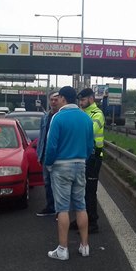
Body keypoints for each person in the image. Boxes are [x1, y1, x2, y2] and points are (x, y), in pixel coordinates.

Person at [44, 86, 94, 260]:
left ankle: (63, 249)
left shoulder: (58, 118)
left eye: (58, 98)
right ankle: (85, 246)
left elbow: (51, 146)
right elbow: (90, 147)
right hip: (80, 164)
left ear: (64, 99)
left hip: (60, 166)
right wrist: (82, 159)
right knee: (81, 206)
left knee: (63, 208)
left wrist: (48, 164)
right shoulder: (86, 118)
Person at [70, 88, 105, 234]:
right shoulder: (82, 112)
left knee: (90, 190)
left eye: (83, 100)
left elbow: (88, 130)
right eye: (80, 100)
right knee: (79, 189)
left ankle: (92, 222)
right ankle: (81, 219)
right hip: (83, 156)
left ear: (91, 99)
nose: (81, 103)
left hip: (94, 157)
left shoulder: (97, 114)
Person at [35, 90, 60, 217]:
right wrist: (39, 154)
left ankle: (60, 210)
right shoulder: (45, 117)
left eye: (56, 99)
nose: (54, 102)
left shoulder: (62, 116)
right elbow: (42, 137)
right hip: (45, 155)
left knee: (59, 184)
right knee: (47, 182)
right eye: (52, 99)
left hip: (59, 156)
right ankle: (51, 206)